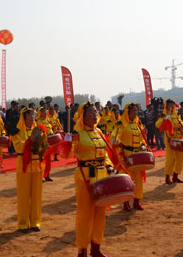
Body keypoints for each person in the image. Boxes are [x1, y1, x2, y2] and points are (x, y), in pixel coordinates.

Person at [67, 102, 114, 257]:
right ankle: (82, 249)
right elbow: (67, 155)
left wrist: (111, 168)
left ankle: (96, 247)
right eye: (91, 112)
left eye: (96, 112)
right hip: (85, 177)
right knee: (85, 213)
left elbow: (105, 155)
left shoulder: (99, 132)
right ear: (83, 116)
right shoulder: (77, 134)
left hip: (102, 175)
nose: (95, 115)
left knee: (101, 213)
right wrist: (67, 143)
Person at [11, 107, 44, 232]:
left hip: (37, 164)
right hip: (24, 165)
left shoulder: (39, 130)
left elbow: (43, 146)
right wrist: (30, 141)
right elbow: (18, 147)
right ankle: (23, 223)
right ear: (23, 118)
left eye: (33, 115)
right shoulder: (17, 132)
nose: (32, 118)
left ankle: (35, 222)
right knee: (23, 196)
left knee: (36, 195)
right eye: (29, 116)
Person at [110, 102, 147, 211]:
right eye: (133, 111)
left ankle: (137, 201)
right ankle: (126, 202)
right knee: (126, 179)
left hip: (137, 156)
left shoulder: (137, 124)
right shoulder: (121, 124)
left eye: (136, 110)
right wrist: (115, 139)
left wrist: (143, 144)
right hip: (126, 155)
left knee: (138, 179)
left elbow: (141, 138)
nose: (135, 113)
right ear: (128, 112)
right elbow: (115, 135)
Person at [156, 99, 183, 185]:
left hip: (179, 139)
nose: (171, 106)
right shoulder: (164, 115)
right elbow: (158, 124)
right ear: (166, 106)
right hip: (170, 140)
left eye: (172, 105)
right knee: (170, 159)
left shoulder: (175, 115)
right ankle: (167, 176)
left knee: (180, 159)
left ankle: (175, 175)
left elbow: (180, 122)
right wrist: (165, 120)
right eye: (169, 105)